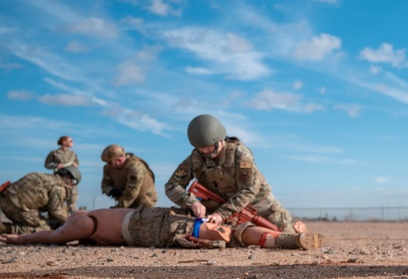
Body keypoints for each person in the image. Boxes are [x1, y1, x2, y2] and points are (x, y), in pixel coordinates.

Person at [164, 115, 300, 233]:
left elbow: (249, 190)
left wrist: (221, 214)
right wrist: (192, 203)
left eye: (208, 146)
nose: (205, 151)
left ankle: (298, 228)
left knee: (286, 235)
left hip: (259, 207)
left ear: (218, 139)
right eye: (201, 147)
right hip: (223, 210)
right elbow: (172, 185)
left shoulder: (240, 155)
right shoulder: (196, 158)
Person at [0, 207, 322, 250]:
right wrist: (18, 238)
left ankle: (289, 239)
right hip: (154, 226)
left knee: (228, 232)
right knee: (233, 233)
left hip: (153, 224)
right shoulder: (85, 224)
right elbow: (54, 235)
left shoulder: (86, 220)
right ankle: (288, 240)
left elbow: (53, 236)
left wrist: (18, 238)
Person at [0, 167, 81, 234]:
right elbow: (56, 210)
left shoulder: (43, 176)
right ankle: (6, 228)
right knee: (45, 229)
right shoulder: (59, 187)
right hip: (19, 208)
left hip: (4, 201)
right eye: (73, 183)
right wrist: (72, 221)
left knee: (38, 220)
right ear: (69, 177)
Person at [101, 144, 158, 209]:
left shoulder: (136, 167)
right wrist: (111, 191)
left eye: (110, 163)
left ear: (119, 159)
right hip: (125, 201)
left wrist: (120, 207)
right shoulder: (108, 168)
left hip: (143, 202)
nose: (108, 165)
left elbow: (132, 192)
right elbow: (105, 185)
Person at [44, 135, 79, 212]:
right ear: (64, 142)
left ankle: (72, 215)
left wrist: (75, 165)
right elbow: (47, 164)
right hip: (59, 178)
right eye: (70, 141)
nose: (72, 142)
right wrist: (56, 165)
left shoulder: (73, 153)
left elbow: (77, 163)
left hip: (71, 178)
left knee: (73, 198)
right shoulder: (54, 153)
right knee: (58, 197)